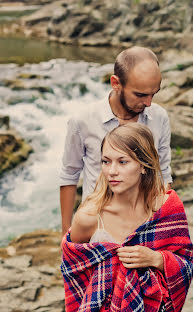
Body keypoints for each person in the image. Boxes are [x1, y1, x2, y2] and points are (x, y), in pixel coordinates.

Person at [61, 123, 193, 312]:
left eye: (122, 162)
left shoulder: (167, 208)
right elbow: (74, 276)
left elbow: (187, 263)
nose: (111, 171)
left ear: (143, 165)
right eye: (106, 161)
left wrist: (157, 259)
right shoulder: (89, 217)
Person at [60, 46, 172, 237]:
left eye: (153, 94)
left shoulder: (159, 117)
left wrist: (162, 227)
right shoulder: (82, 121)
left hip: (143, 226)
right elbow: (69, 175)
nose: (148, 103)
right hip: (96, 226)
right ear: (115, 83)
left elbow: (163, 174)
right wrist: (65, 233)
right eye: (140, 94)